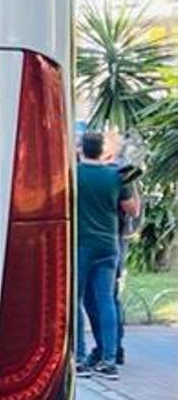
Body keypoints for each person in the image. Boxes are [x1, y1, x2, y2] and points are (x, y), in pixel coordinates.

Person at [75, 131, 140, 380]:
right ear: (102, 150)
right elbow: (132, 211)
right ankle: (109, 360)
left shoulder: (74, 174)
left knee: (77, 300)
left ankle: (79, 357)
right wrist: (131, 185)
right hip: (109, 245)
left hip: (81, 244)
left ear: (82, 149)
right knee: (105, 300)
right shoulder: (117, 176)